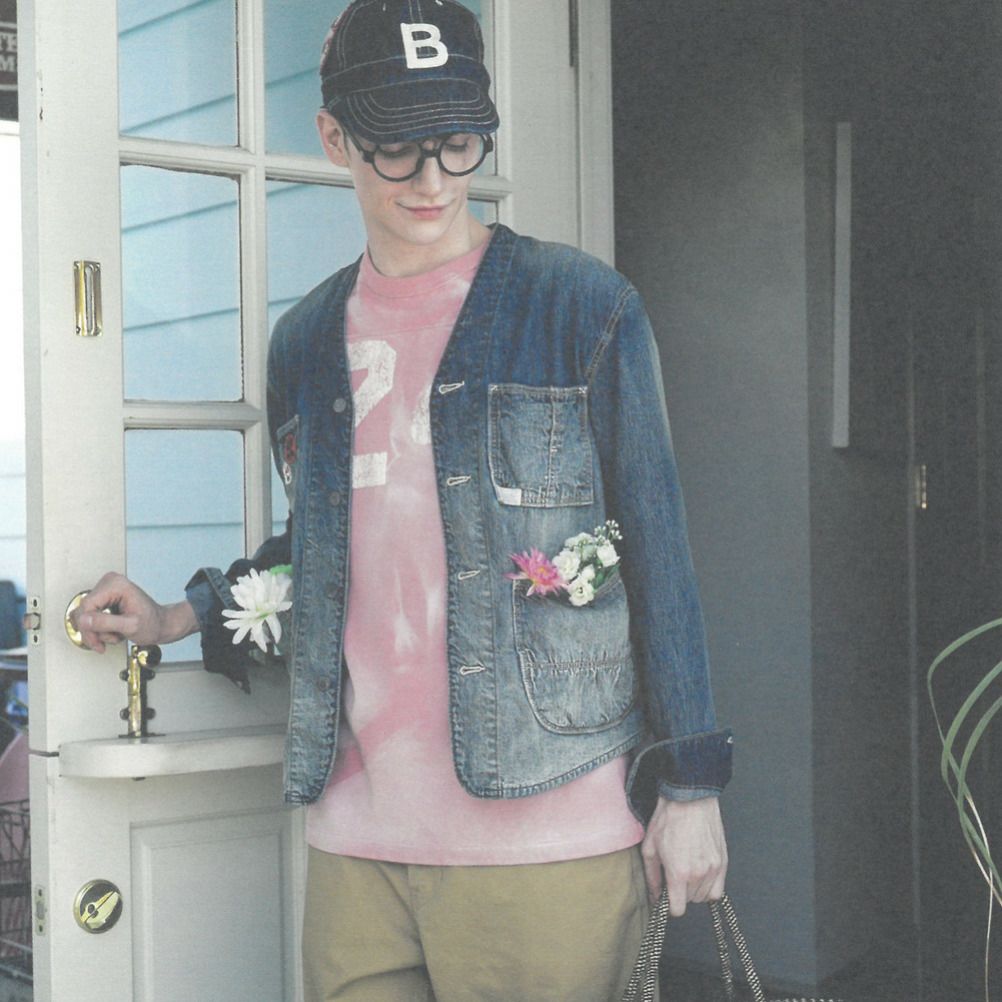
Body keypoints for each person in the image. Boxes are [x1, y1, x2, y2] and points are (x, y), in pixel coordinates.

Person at [72, 2, 731, 998]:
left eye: (459, 142)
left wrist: (691, 786)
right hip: (357, 841)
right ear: (334, 138)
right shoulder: (306, 343)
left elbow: (658, 551)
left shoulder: (582, 308)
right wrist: (180, 615)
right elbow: (325, 545)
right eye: (397, 148)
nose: (433, 180)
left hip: (546, 837)